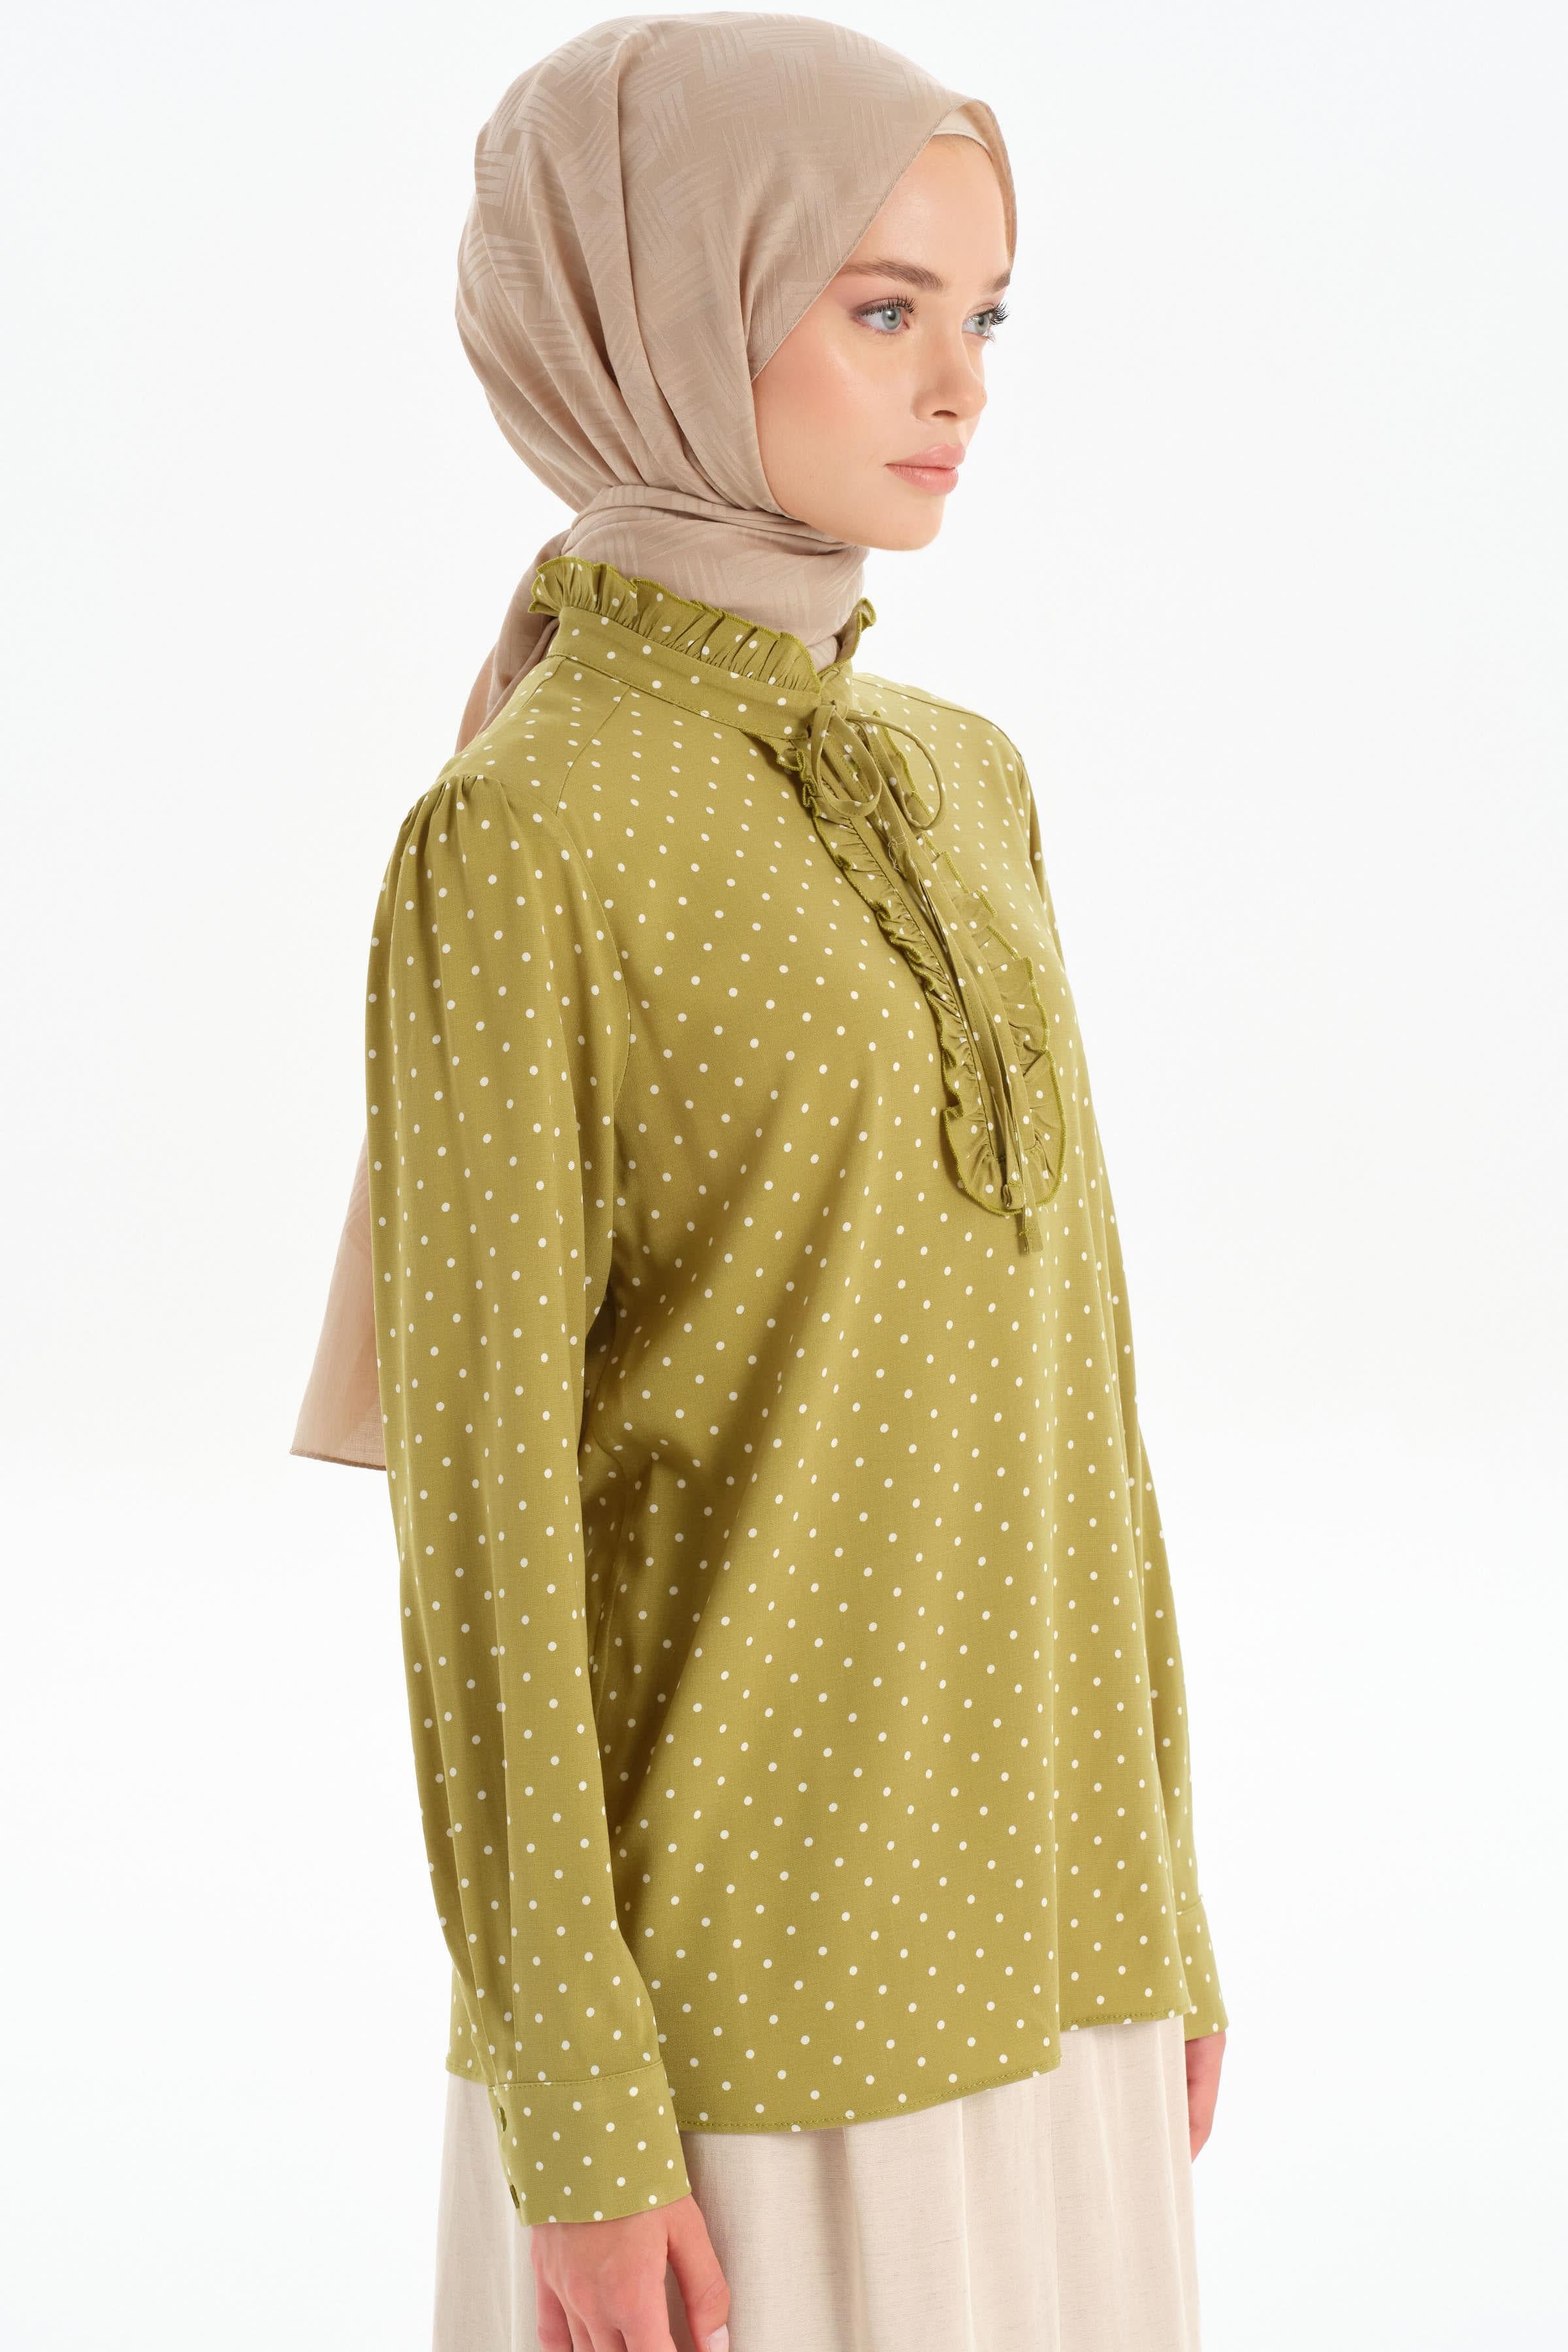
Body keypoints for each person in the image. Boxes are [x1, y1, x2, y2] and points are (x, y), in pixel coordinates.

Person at [291, 16, 1229, 2350]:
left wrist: (1169, 1903)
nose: (961, 385)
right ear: (660, 310)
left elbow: (1087, 1402)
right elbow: (487, 1530)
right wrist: (573, 2103)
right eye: (884, 307)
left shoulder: (969, 777)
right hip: (742, 2039)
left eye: (984, 313)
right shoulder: (524, 833)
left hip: (1060, 1952)